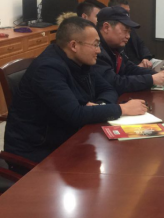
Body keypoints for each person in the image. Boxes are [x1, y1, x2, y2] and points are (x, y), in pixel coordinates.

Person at [4, 17, 147, 163]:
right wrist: (122, 109)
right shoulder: (47, 69)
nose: (99, 50)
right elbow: (75, 114)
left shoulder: (80, 61)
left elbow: (108, 89)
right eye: (95, 44)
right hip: (37, 151)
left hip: (67, 137)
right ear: (74, 45)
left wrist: (100, 106)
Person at [94, 6, 164, 94]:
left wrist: (155, 74)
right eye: (125, 31)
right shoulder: (96, 51)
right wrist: (151, 79)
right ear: (106, 27)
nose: (128, 36)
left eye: (129, 32)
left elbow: (130, 68)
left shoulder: (115, 47)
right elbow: (114, 83)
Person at [108, 0, 160, 69]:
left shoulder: (129, 27)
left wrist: (146, 58)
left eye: (128, 13)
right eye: (124, 12)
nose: (128, 36)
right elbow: (123, 69)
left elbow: (140, 44)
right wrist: (138, 68)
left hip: (142, 62)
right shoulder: (112, 38)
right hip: (133, 68)